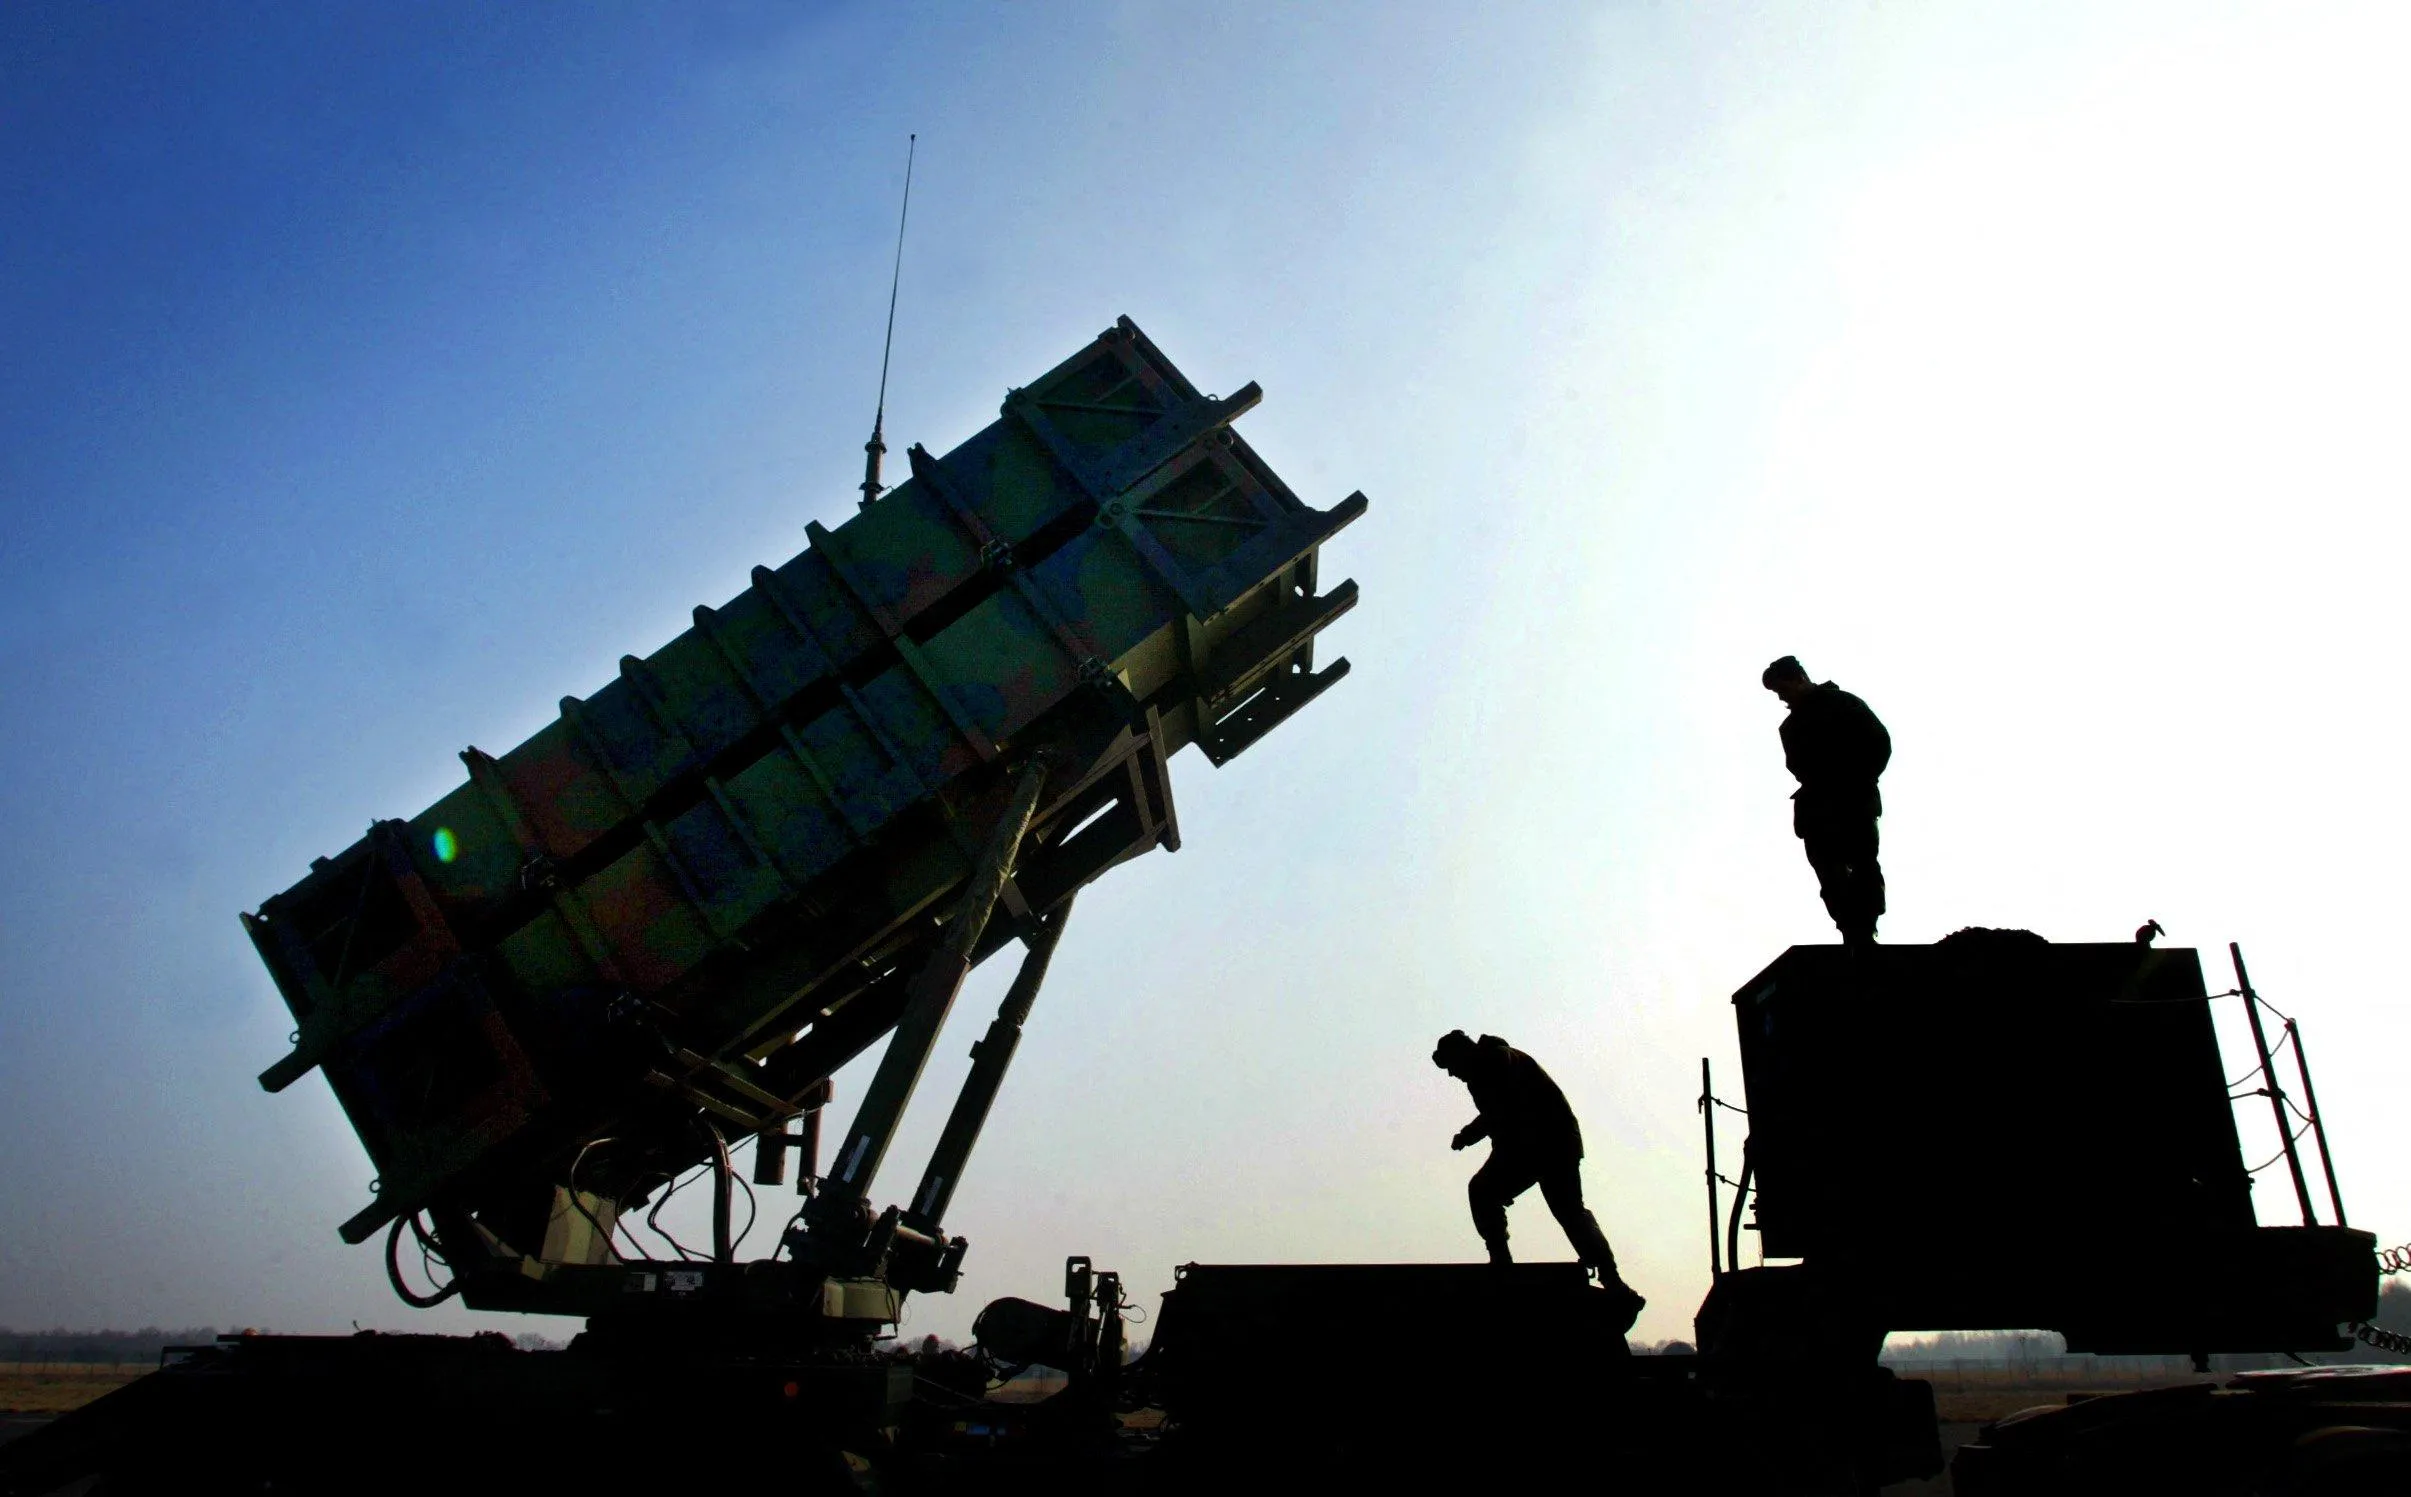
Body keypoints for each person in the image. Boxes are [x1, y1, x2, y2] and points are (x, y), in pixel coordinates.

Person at [1432, 1031, 1642, 1316]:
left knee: (1489, 1193)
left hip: (1545, 1143)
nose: (1452, 1075)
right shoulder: (1489, 1065)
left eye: (1451, 1067)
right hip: (1539, 1144)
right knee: (1563, 1210)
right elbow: (1499, 1116)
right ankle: (1611, 1278)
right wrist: (1472, 1137)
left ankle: (1505, 1262)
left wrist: (1469, 1136)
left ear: (1461, 1054)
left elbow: (1502, 1111)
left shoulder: (1496, 1060)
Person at [1762, 656, 1891, 949]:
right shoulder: (1790, 727)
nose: (1782, 697)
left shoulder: (1844, 704)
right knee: (1831, 875)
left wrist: (1854, 779)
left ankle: (1865, 931)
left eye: (1783, 689)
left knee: (1862, 866)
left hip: (1854, 801)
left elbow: (1879, 744)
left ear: (1799, 679)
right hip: (1817, 809)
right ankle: (1850, 931)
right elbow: (1797, 767)